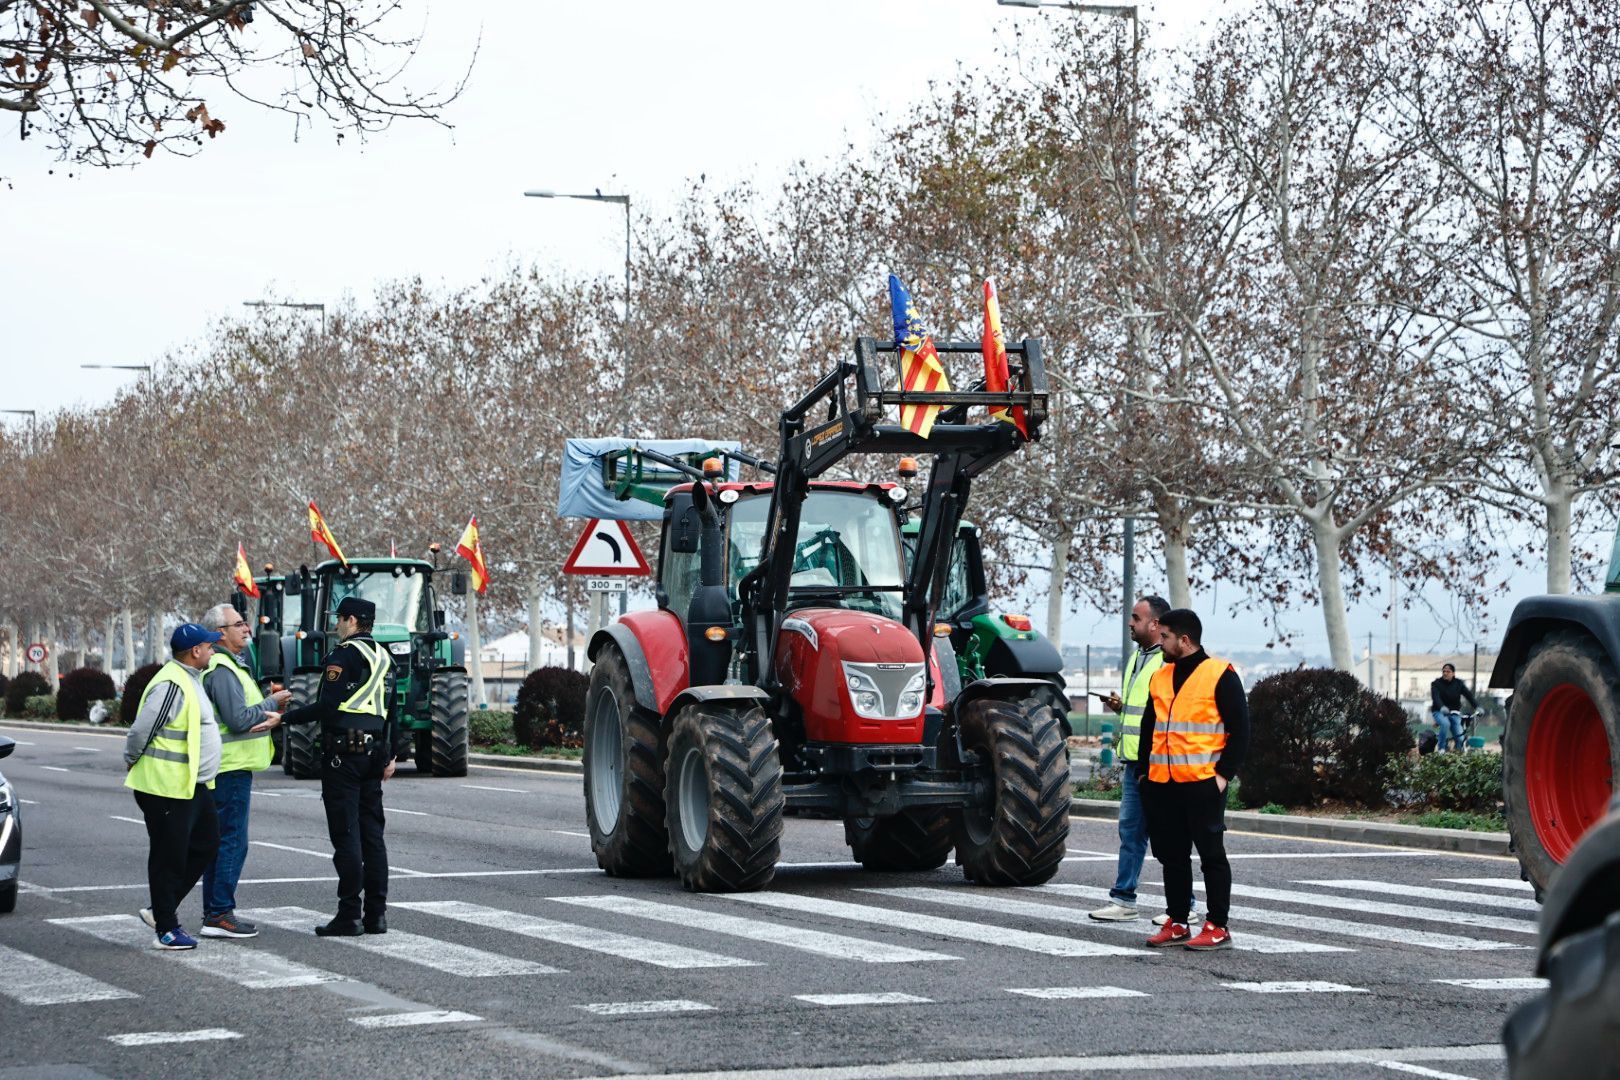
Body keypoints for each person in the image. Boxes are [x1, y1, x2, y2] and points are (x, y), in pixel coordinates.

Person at [279, 596, 396, 936]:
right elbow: (392, 712)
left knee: (347, 836)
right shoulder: (386, 657)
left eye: (340, 619)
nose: (336, 625)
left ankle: (349, 914)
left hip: (343, 755)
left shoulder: (344, 655)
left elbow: (327, 707)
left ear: (351, 621)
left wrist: (285, 719)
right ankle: (376, 915)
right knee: (373, 837)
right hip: (374, 754)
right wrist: (390, 754)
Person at [1138, 608, 1249, 951]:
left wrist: (1223, 776)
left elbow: (1241, 730)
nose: (1160, 641)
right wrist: (1144, 772)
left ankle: (1217, 925)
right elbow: (1148, 727)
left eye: (1166, 636)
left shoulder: (1220, 674)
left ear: (1184, 640)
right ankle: (1178, 921)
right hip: (1162, 782)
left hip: (1202, 782)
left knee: (1211, 855)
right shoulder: (1160, 676)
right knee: (1172, 856)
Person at [1088, 595, 1197, 926]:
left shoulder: (1167, 662)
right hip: (1135, 762)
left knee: (1168, 835)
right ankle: (1124, 899)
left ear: (1155, 624)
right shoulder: (1137, 658)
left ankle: (1186, 905)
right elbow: (1143, 711)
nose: (1130, 624)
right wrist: (1120, 707)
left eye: (1136, 618)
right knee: (1131, 832)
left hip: (1160, 763)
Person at [123, 623, 226, 950]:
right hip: (165, 786)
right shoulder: (171, 684)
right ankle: (166, 929)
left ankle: (160, 908)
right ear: (195, 651)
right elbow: (140, 731)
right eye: (209, 646)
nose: (213, 649)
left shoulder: (191, 680)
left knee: (207, 844)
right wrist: (132, 760)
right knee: (169, 856)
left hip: (192, 786)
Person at [198, 603, 293, 939]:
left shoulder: (229, 666)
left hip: (228, 767)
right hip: (230, 768)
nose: (247, 628)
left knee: (221, 841)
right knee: (232, 842)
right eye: (239, 623)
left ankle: (215, 911)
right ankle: (220, 913)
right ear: (220, 633)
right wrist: (275, 704)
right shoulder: (222, 669)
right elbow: (238, 719)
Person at [1430, 663, 1478, 753]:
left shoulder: (1459, 684)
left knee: (1460, 738)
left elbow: (1469, 696)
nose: (1445, 673)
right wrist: (1442, 707)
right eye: (1444, 671)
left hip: (1454, 713)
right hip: (1439, 712)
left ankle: (1458, 754)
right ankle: (1441, 749)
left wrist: (1477, 707)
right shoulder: (1436, 684)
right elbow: (1436, 697)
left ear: (1453, 673)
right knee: (1445, 723)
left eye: (1448, 671)